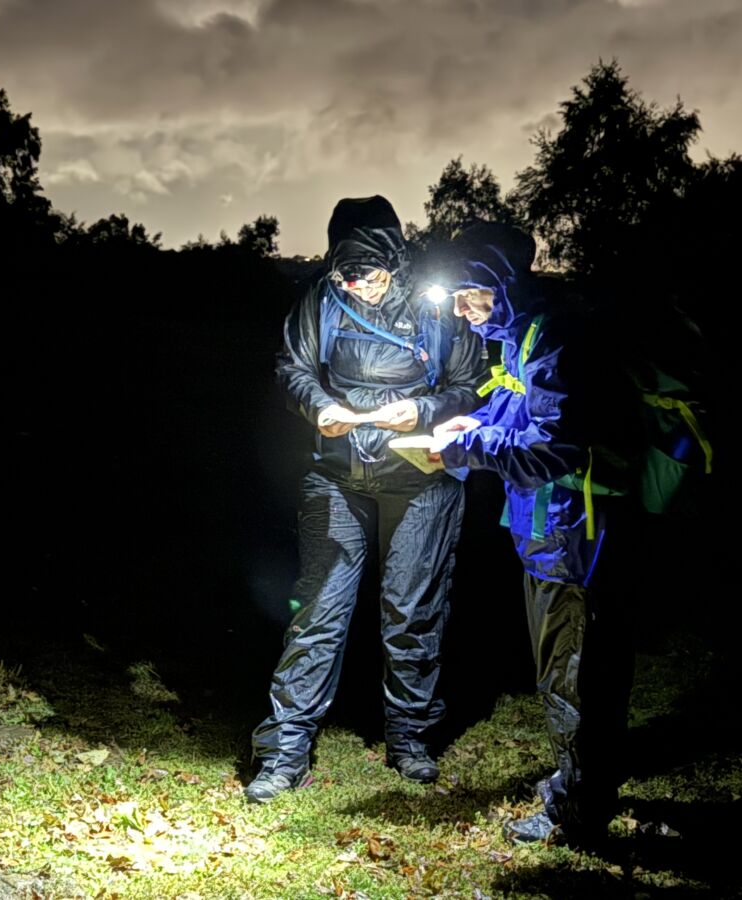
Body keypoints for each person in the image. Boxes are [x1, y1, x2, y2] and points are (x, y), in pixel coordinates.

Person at [245, 195, 488, 803]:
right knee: (319, 611)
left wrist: (422, 409)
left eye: (371, 276)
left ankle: (410, 739)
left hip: (420, 474)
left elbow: (469, 385)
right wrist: (319, 405)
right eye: (347, 276)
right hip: (337, 473)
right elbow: (292, 367)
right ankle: (285, 749)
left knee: (411, 610)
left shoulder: (437, 306)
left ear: (395, 263)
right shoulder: (322, 300)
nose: (360, 288)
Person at [428, 222, 646, 846]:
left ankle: (576, 811)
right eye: (457, 300)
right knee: (570, 664)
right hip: (549, 529)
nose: (463, 312)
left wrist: (465, 446)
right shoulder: (528, 333)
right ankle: (575, 786)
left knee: (572, 668)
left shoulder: (554, 333)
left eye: (472, 295)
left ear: (504, 284)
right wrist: (478, 418)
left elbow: (554, 444)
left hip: (573, 532)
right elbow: (528, 408)